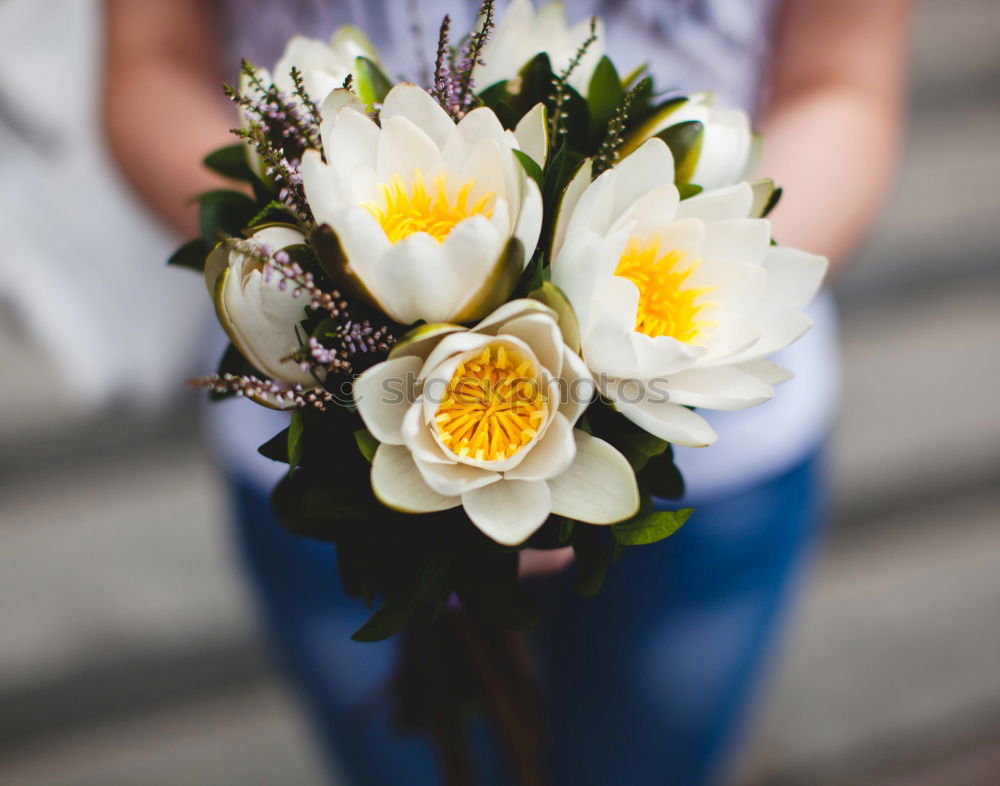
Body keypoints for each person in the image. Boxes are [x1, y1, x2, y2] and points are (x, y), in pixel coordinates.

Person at [102, 1, 912, 783]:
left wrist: (597, 382)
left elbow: (841, 81)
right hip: (326, 433)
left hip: (719, 456)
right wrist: (329, 263)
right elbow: (151, 61)